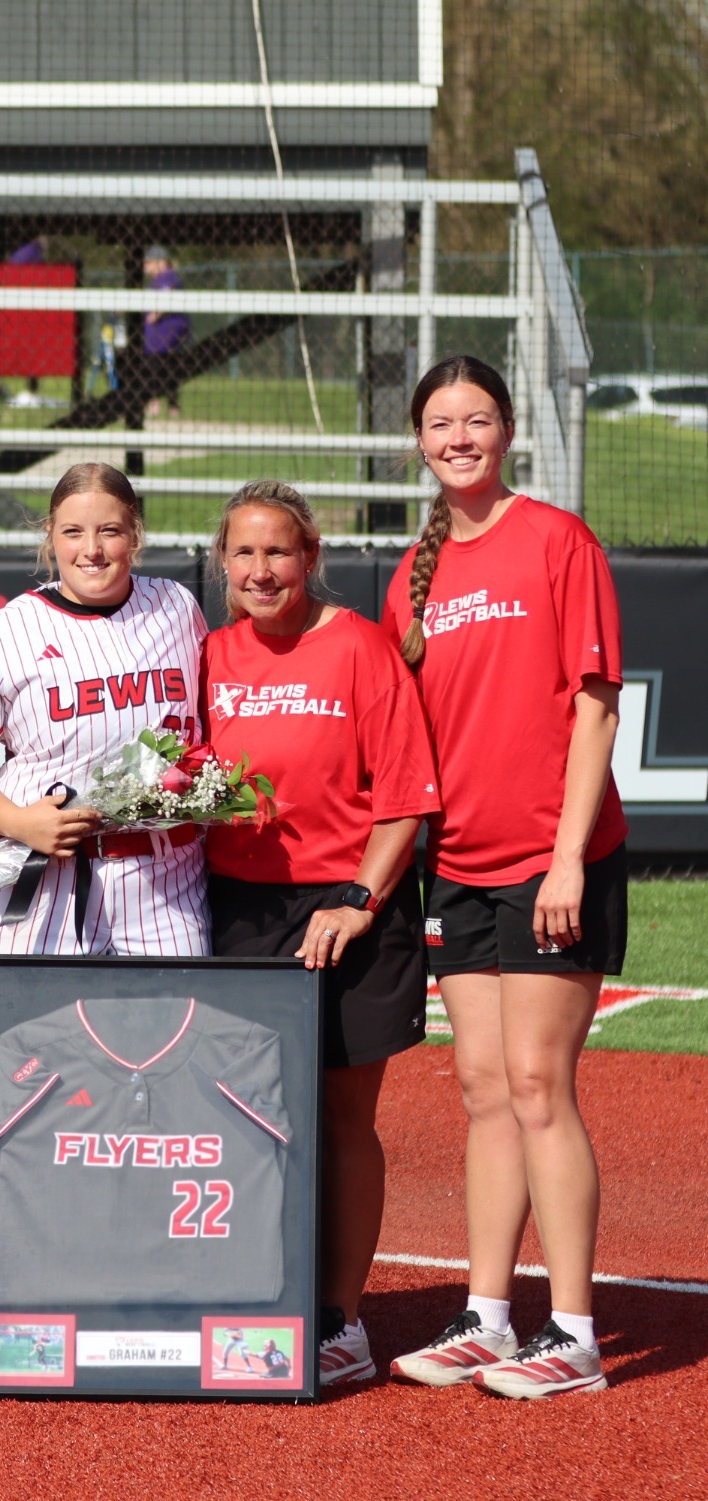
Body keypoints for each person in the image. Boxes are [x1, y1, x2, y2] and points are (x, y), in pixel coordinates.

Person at [382, 355, 628, 1400]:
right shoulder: (411, 572)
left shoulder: (555, 540)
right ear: (419, 441)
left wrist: (566, 854)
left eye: (474, 419)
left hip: (550, 862)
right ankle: (486, 1316)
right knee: (482, 1090)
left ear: (507, 430)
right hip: (461, 868)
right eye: (440, 424)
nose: (458, 438)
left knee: (535, 1086)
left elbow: (594, 704)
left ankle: (570, 1333)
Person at [201, 479, 440, 1387]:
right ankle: (258, 1293)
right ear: (223, 562)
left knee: (344, 1117)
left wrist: (357, 903)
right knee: (249, 1116)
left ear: (310, 559)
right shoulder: (209, 653)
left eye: (280, 552)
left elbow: (406, 798)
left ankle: (341, 1316)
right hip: (241, 909)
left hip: (350, 909)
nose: (263, 570)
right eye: (246, 553)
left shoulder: (360, 648)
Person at [0, 462, 209, 956]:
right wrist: (18, 821)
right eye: (73, 532)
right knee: (29, 1034)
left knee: (169, 1032)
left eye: (110, 530)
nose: (92, 550)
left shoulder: (176, 607)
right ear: (50, 536)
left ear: (136, 534)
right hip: (40, 877)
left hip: (166, 882)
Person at [142, 244, 189, 417]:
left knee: (158, 365)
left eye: (149, 262)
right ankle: (169, 405)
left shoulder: (168, 277)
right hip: (157, 332)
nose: (145, 265)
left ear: (161, 263)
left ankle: (158, 402)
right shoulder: (156, 280)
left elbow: (166, 296)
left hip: (167, 330)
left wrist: (155, 314)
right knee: (164, 366)